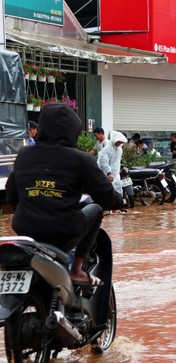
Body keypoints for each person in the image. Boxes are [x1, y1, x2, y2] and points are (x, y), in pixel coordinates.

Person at [6, 103, 125, 286]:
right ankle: (76, 270)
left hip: (25, 231)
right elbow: (105, 195)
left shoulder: (23, 155)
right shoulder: (79, 159)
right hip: (62, 233)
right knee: (96, 209)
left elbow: (12, 194)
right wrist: (120, 201)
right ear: (73, 130)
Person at [98, 131, 128, 213]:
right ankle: (107, 209)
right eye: (118, 142)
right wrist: (109, 173)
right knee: (108, 192)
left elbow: (117, 162)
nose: (119, 144)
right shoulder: (106, 150)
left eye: (121, 142)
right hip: (106, 175)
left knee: (118, 191)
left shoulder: (119, 150)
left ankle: (116, 209)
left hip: (116, 174)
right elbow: (103, 162)